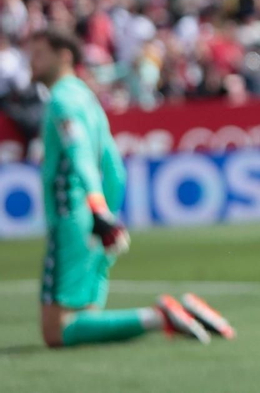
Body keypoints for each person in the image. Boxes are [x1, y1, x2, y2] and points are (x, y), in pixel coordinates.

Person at [32, 28, 233, 349]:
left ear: (64, 56)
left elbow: (81, 156)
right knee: (86, 314)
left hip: (72, 214)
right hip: (95, 215)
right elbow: (113, 164)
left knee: (55, 331)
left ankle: (159, 317)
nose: (32, 62)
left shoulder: (61, 100)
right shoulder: (86, 97)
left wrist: (97, 210)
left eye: (39, 54)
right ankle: (179, 313)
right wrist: (109, 213)